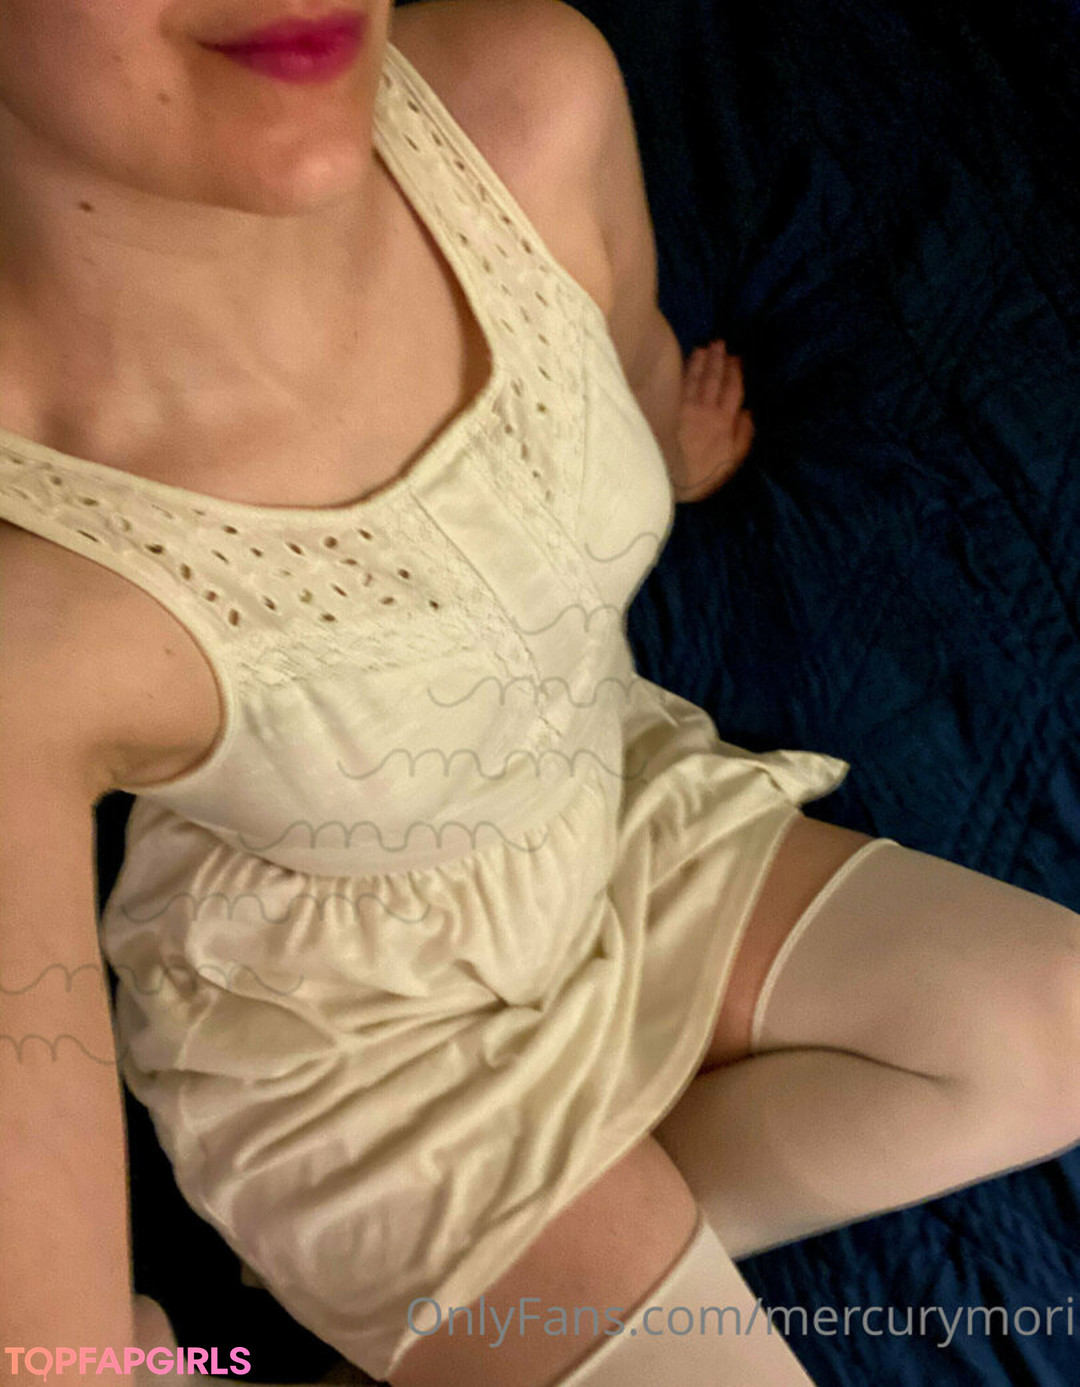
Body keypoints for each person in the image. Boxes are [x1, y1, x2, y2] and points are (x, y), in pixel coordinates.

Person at [2, 2, 1079, 1385]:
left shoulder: (524, 102)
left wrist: (657, 457)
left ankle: (507, 1325)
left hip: (604, 808)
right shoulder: (29, 599)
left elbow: (621, 369)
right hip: (369, 1062)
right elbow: (53, 1347)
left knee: (1052, 1028)